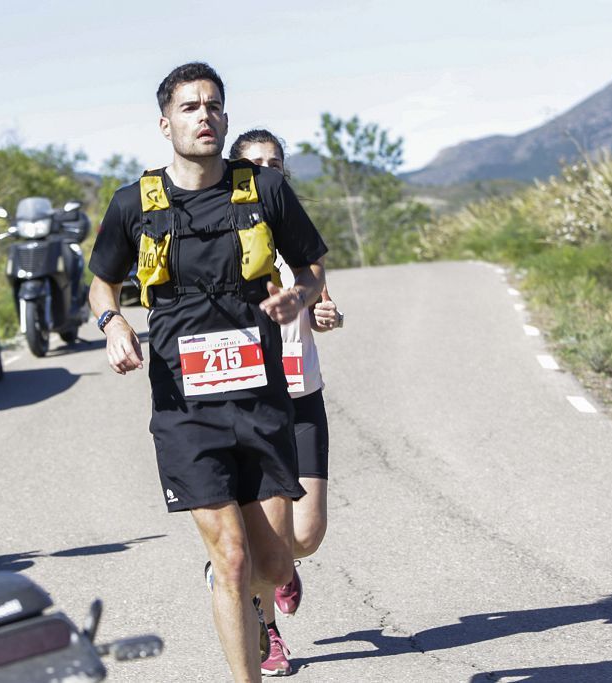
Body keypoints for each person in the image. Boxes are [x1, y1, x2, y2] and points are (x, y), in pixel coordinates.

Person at [88, 63, 328, 682]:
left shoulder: (265, 191)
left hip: (259, 399)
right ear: (165, 122)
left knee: (271, 567)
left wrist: (295, 300)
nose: (205, 116)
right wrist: (114, 325)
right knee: (232, 559)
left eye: (215, 106)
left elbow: (310, 271)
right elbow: (101, 284)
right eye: (191, 107)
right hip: (184, 408)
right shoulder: (132, 204)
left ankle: (269, 577)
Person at [228, 129, 344, 675]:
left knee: (307, 535)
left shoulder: (296, 234)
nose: (268, 172)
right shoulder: (222, 234)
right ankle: (267, 630)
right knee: (263, 547)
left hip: (304, 399)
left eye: (276, 164)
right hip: (253, 405)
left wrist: (327, 313)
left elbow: (322, 296)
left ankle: (280, 570)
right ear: (236, 172)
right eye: (256, 165)